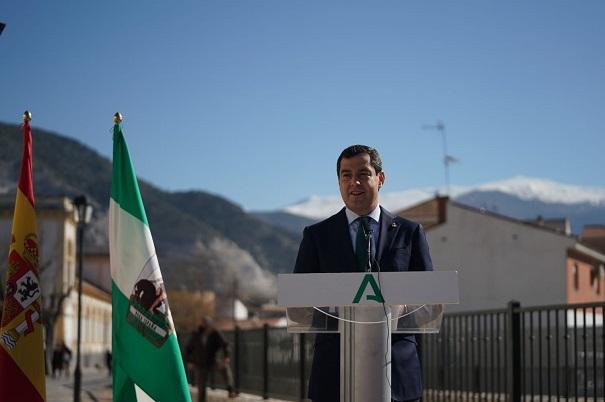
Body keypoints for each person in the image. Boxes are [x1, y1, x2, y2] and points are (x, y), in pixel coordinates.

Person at [293, 144, 433, 402]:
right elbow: (300, 304)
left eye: (363, 174)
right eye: (346, 175)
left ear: (380, 178)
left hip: (397, 375)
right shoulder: (316, 237)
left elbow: (430, 300)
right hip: (334, 374)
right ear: (338, 182)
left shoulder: (409, 233)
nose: (353, 182)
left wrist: (401, 308)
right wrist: (337, 308)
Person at [185, 316, 236, 401]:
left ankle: (230, 389)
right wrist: (190, 361)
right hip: (200, 363)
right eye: (204, 324)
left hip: (213, 361)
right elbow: (188, 349)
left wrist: (226, 357)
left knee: (225, 368)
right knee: (201, 386)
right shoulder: (196, 335)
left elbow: (225, 345)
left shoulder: (215, 334)